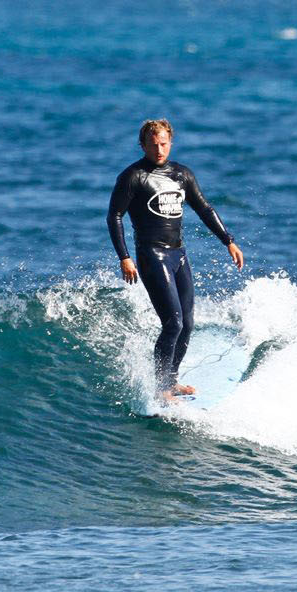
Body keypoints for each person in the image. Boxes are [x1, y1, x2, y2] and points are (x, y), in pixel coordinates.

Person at [107, 118, 244, 400]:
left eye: (164, 143)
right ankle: (161, 388)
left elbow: (204, 208)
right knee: (173, 323)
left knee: (188, 323)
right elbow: (115, 216)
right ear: (143, 144)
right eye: (154, 144)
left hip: (178, 254)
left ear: (171, 142)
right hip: (151, 255)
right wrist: (125, 257)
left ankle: (172, 380)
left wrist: (228, 241)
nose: (159, 149)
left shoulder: (181, 174)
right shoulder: (133, 177)